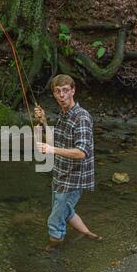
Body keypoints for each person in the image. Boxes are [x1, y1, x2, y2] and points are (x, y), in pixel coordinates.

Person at [34, 74, 103, 253]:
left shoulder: (82, 118)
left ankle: (51, 254)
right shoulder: (64, 114)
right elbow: (55, 140)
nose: (62, 95)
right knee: (65, 210)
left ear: (73, 91)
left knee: (55, 220)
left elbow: (81, 153)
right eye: (57, 92)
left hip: (75, 176)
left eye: (65, 90)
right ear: (54, 94)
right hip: (61, 172)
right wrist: (43, 122)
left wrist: (51, 150)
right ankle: (88, 233)